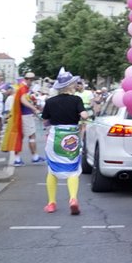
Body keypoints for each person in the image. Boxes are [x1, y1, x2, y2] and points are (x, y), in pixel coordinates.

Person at [40, 68, 89, 215]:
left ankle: (51, 203)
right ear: (71, 85)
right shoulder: (77, 100)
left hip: (55, 137)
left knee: (52, 170)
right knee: (73, 170)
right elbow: (85, 115)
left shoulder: (50, 101)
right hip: (72, 137)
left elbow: (45, 121)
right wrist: (84, 116)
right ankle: (73, 198)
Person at [10, 71, 44, 166]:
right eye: (32, 80)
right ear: (27, 79)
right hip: (25, 115)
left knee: (25, 136)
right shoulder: (23, 88)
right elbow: (23, 100)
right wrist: (34, 109)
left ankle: (33, 157)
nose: (32, 82)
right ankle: (30, 158)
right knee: (29, 136)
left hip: (25, 115)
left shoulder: (24, 88)